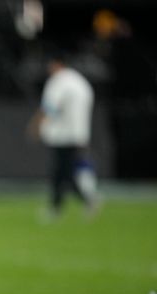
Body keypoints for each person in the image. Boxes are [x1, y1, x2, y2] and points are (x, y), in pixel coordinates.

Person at [27, 50, 98, 219]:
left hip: (62, 135)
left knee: (61, 172)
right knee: (66, 171)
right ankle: (85, 199)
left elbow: (49, 107)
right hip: (78, 133)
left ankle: (63, 206)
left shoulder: (59, 81)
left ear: (58, 64)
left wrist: (36, 125)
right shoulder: (79, 81)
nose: (49, 69)